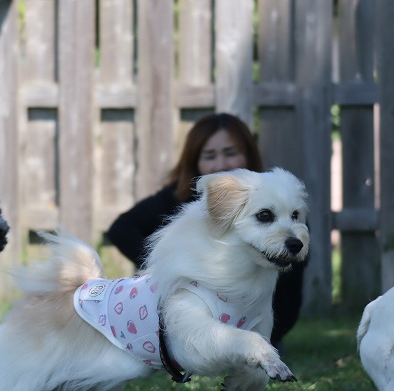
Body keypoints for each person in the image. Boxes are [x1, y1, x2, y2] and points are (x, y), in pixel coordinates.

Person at [105, 112, 305, 348]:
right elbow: (121, 229)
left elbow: (290, 287)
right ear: (195, 161)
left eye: (230, 153)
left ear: (248, 154)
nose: (221, 164)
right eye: (209, 156)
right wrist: (161, 267)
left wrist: (270, 334)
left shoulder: (279, 197)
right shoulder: (179, 197)